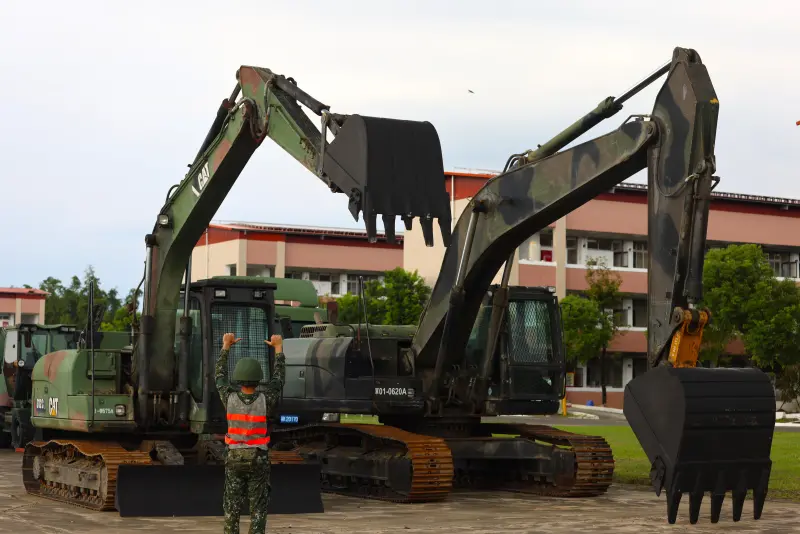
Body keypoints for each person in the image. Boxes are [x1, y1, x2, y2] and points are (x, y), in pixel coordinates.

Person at [215, 332, 286, 534]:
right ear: (258, 378)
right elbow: (278, 380)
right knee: (258, 509)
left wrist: (225, 346)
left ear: (238, 379)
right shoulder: (266, 399)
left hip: (234, 457)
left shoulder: (228, 398)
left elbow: (219, 375)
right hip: (258, 459)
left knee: (231, 509)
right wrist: (278, 349)